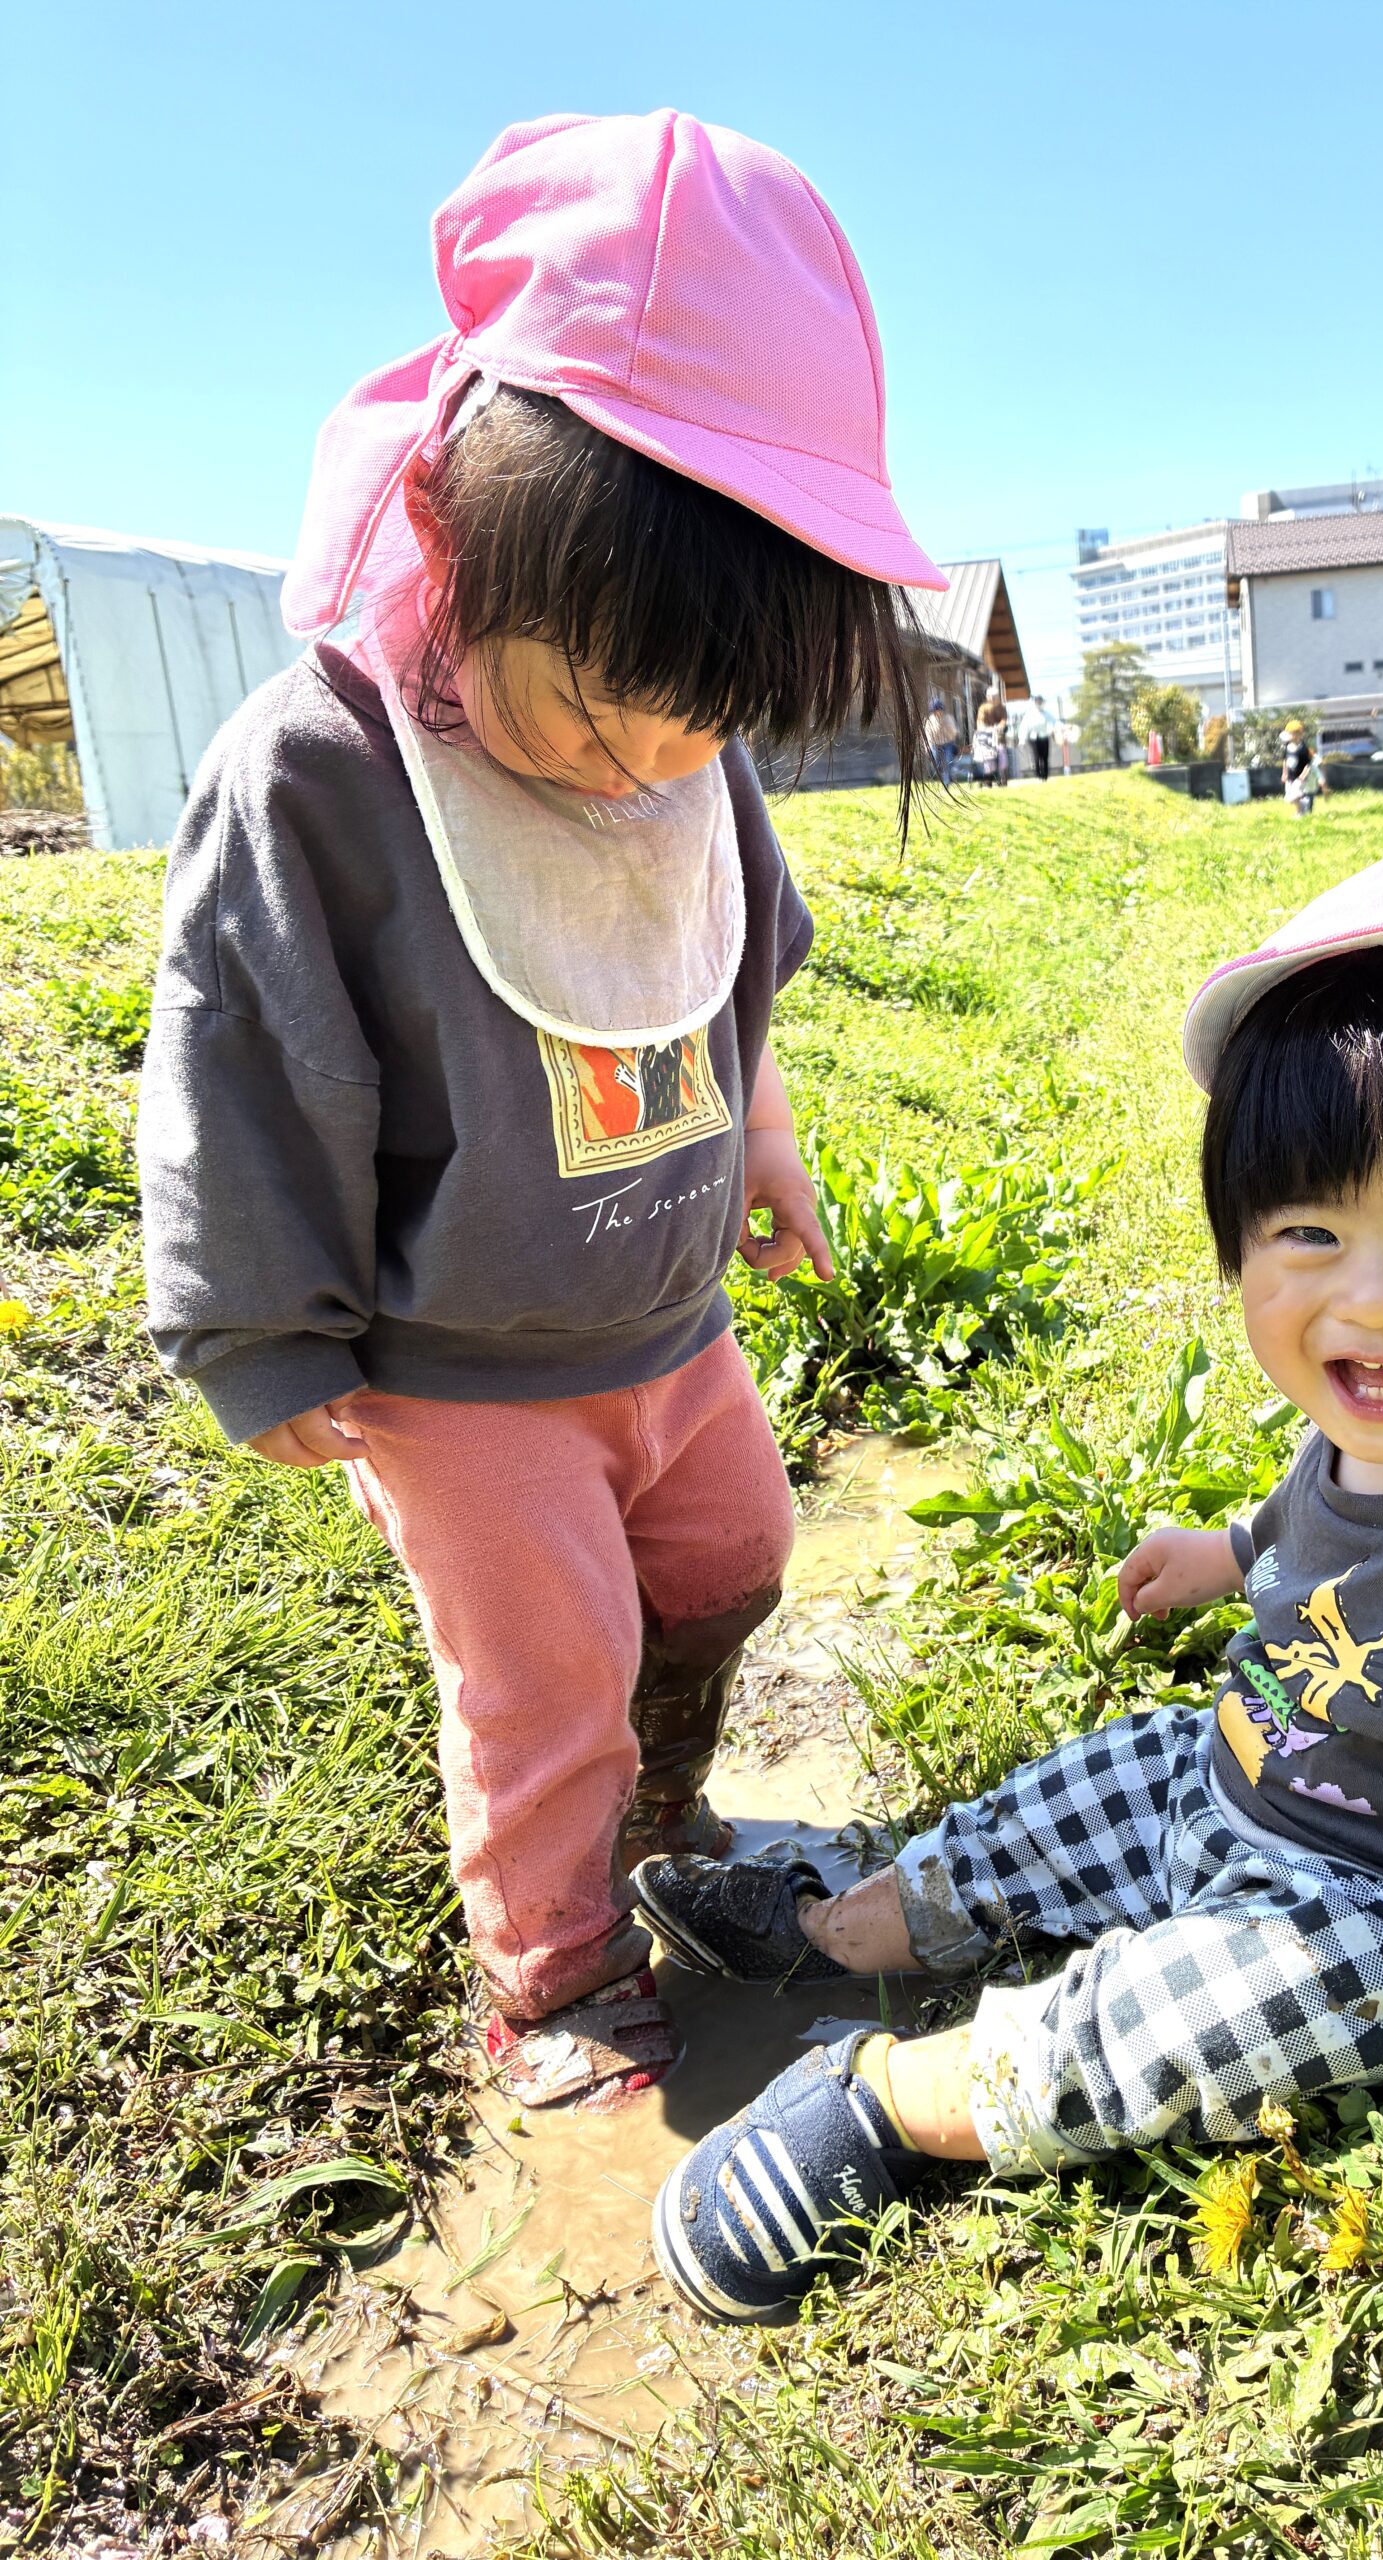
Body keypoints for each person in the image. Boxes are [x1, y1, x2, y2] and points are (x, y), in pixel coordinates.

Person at [634, 849, 1383, 2474]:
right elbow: (1330, 1513)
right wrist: (1232, 1554)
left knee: (1173, 2018)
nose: (1371, 1300)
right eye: (1308, 1227)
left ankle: (889, 2101)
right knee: (1073, 1795)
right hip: (1252, 1772)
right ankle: (838, 1923)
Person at [135, 112, 947, 2115]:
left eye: (706, 715)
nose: (644, 761)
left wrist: (765, 1140)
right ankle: (553, 1964)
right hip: (463, 1370)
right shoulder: (321, 771)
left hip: (671, 1323)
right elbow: (239, 1057)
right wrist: (261, 1330)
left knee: (737, 1555)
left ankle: (662, 1813)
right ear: (453, 526)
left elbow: (726, 979)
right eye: (590, 707)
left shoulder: (683, 753)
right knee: (543, 1680)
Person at [1280, 715, 1322, 817]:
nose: (1288, 735)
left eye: (1290, 733)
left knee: (1294, 796)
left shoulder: (1303, 748)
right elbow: (1285, 761)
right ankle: (1304, 805)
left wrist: (1303, 776)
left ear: (1298, 734)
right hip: (1290, 777)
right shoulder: (1287, 747)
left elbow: (1307, 765)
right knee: (1289, 798)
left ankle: (1299, 812)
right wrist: (1284, 773)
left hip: (1299, 778)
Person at [973, 691, 1009, 785]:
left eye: (995, 697)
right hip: (986, 737)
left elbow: (1004, 720)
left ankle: (1003, 779)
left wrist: (1000, 727)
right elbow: (980, 722)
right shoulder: (983, 708)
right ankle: (988, 780)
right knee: (988, 757)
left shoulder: (1002, 708)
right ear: (988, 697)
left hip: (999, 737)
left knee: (1002, 754)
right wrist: (985, 728)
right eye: (991, 697)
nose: (993, 699)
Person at [923, 694, 958, 785]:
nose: (937, 712)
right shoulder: (929, 721)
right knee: (937, 764)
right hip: (935, 745)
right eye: (935, 711)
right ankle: (947, 776)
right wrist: (927, 746)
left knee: (948, 761)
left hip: (948, 744)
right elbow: (927, 735)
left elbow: (954, 733)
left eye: (939, 710)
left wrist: (946, 727)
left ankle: (946, 782)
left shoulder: (948, 718)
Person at [1023, 693, 1057, 782]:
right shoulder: (1029, 714)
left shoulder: (1046, 714)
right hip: (1033, 738)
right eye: (1037, 701)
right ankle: (1038, 775)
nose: (1039, 703)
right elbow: (1024, 727)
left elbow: (1055, 722)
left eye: (1040, 701)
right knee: (1037, 757)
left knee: (1045, 757)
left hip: (1044, 737)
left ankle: (1045, 776)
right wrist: (1022, 738)